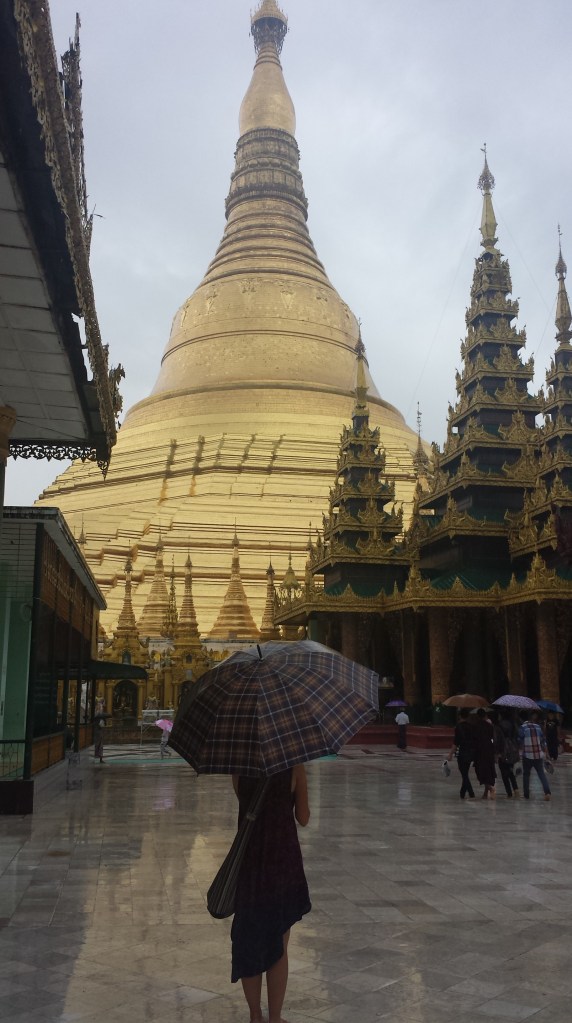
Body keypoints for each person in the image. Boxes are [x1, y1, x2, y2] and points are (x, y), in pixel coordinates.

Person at [231, 765, 311, 1023]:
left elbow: (246, 804)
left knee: (249, 937)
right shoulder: (294, 766)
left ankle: (255, 1015)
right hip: (282, 861)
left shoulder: (239, 767)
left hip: (249, 862)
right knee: (279, 941)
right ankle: (275, 1017)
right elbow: (304, 817)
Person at [518, 711, 552, 801]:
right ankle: (547, 792)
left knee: (526, 774)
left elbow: (519, 741)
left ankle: (526, 794)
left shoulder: (522, 728)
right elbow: (543, 741)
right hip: (538, 755)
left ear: (521, 719)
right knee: (541, 774)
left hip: (527, 755)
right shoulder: (538, 727)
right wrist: (546, 753)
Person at [447, 707, 476, 799]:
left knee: (464, 774)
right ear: (468, 716)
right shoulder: (471, 727)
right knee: (465, 772)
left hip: (462, 751)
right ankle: (462, 792)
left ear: (460, 716)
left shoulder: (458, 727)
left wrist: (450, 754)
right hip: (470, 751)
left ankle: (471, 793)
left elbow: (456, 742)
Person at [472, 707, 496, 799]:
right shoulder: (489, 726)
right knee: (488, 771)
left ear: (477, 716)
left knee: (481, 771)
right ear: (485, 715)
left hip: (480, 751)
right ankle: (486, 792)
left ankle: (490, 788)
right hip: (489, 750)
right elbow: (492, 737)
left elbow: (474, 739)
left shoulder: (475, 726)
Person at [497, 711, 520, 798]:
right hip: (512, 749)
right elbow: (517, 737)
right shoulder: (514, 724)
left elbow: (498, 738)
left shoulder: (500, 725)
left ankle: (509, 792)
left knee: (504, 773)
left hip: (503, 749)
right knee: (510, 771)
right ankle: (516, 789)